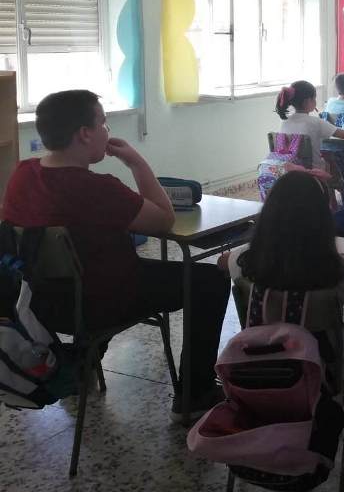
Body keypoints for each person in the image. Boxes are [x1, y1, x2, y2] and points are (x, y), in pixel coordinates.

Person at [2, 90, 230, 422]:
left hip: (37, 304)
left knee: (95, 274)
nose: (107, 130)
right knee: (208, 279)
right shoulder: (98, 188)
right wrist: (137, 162)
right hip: (102, 301)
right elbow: (164, 219)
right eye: (103, 123)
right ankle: (194, 395)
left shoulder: (22, 175)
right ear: (84, 133)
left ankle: (83, 364)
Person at [219, 172, 344, 458]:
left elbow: (220, 263)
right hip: (321, 371)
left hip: (257, 366)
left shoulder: (245, 258)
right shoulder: (335, 267)